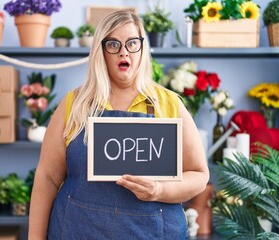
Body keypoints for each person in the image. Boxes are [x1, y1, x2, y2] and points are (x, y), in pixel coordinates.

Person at [28, 10, 209, 240]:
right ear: (100, 51)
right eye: (113, 44)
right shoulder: (74, 104)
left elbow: (199, 174)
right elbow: (47, 178)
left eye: (132, 43)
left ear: (142, 49)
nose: (124, 51)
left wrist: (160, 190)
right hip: (78, 231)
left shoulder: (169, 104)